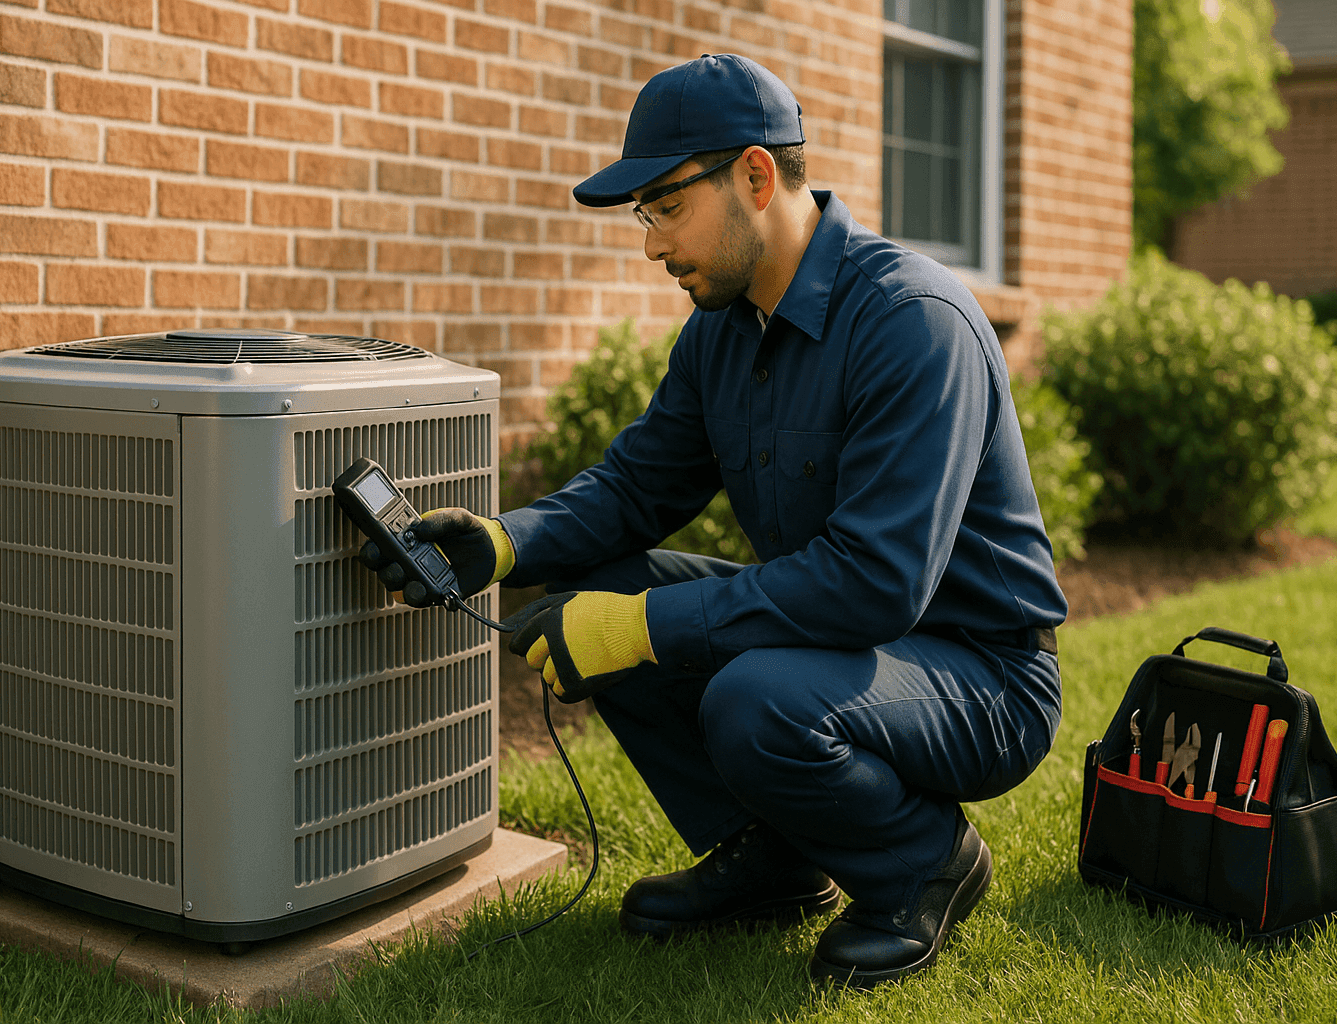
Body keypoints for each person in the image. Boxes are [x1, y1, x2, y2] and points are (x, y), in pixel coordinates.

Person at [399, 53, 1067, 989]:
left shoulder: (914, 321)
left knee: (749, 696)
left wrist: (644, 630)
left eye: (666, 207)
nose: (650, 244)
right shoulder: (722, 329)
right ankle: (776, 861)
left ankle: (923, 863)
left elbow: (875, 582)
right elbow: (638, 487)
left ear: (755, 176)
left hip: (983, 674)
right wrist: (508, 542)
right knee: (603, 592)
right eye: (646, 215)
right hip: (840, 645)